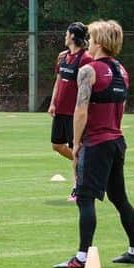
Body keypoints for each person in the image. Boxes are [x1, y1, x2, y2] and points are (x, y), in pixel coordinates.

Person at [53, 20, 134, 268]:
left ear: (99, 43)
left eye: (90, 39)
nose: (88, 43)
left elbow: (80, 111)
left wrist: (77, 143)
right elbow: (120, 107)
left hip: (97, 142)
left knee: (85, 197)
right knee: (119, 198)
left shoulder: (88, 70)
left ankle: (82, 257)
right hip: (116, 141)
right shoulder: (122, 70)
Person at [47, 22, 89, 202]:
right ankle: (85, 165)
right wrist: (52, 103)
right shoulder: (62, 57)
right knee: (57, 145)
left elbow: (84, 87)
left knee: (75, 149)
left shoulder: (85, 59)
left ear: (73, 36)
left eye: (66, 33)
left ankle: (77, 187)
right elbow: (58, 81)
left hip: (74, 112)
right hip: (60, 110)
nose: (64, 36)